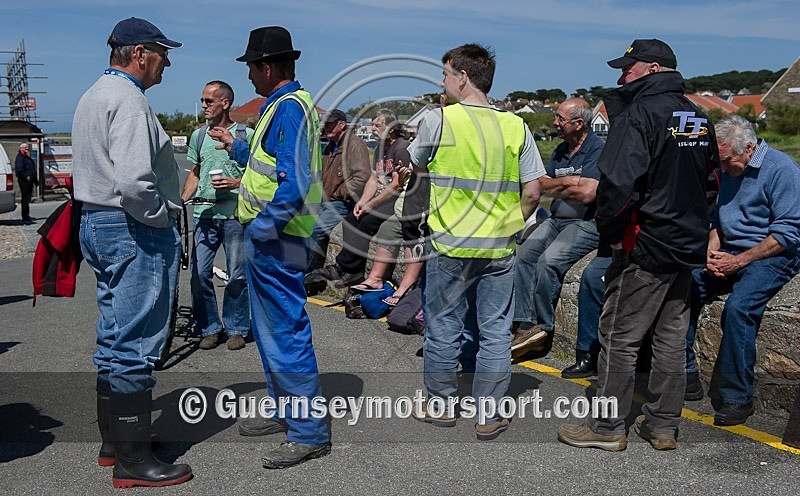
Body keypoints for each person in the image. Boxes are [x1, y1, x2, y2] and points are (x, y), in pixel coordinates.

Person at [558, 38, 718, 452]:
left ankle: (607, 426)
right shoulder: (698, 116)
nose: (620, 75)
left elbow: (618, 185)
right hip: (685, 240)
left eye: (627, 68)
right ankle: (663, 424)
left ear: (650, 69)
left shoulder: (640, 114)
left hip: (646, 240)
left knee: (619, 334)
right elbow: (712, 182)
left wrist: (611, 234)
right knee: (669, 334)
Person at [72, 17, 192, 487]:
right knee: (136, 342)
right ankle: (133, 459)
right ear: (140, 53)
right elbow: (133, 182)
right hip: (131, 226)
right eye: (163, 53)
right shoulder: (128, 99)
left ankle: (116, 442)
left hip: (98, 222)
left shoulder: (92, 95)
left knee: (114, 332)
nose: (168, 62)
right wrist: (162, 215)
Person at [208, 25, 331, 468]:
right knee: (271, 329)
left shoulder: (289, 109)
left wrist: (264, 229)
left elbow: (294, 183)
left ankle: (308, 430)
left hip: (278, 236)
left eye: (251, 68)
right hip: (278, 233)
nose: (248, 78)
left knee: (284, 329)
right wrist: (239, 146)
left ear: (266, 66)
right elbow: (270, 167)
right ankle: (287, 410)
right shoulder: (283, 106)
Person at [411, 43, 544, 441]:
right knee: (495, 330)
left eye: (446, 74)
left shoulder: (439, 121)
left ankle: (441, 405)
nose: (442, 82)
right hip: (498, 247)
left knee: (443, 326)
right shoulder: (515, 126)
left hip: (450, 245)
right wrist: (510, 226)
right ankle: (488, 415)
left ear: (462, 77)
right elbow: (534, 192)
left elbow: (418, 165)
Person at [685, 115, 800, 426]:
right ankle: (686, 374)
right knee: (683, 287)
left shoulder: (781, 169)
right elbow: (718, 220)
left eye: (725, 161)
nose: (721, 169)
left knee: (739, 307)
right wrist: (712, 249)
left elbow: (788, 234)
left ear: (748, 148)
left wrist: (740, 261)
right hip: (732, 251)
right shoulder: (733, 167)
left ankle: (738, 397)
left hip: (771, 254)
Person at [511, 97, 603, 356]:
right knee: (524, 254)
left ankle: (542, 327)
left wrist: (559, 185)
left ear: (579, 123)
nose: (555, 123)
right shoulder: (561, 150)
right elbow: (540, 185)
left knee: (548, 262)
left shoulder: (598, 149)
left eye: (561, 119)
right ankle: (523, 324)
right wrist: (570, 182)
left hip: (586, 222)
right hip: (556, 220)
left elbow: (587, 195)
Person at [181, 81, 254, 351]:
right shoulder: (198, 136)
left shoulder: (245, 134)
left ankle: (236, 328)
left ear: (225, 103)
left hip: (235, 214)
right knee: (199, 274)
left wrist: (236, 184)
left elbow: (258, 173)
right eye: (202, 101)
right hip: (204, 213)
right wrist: (181, 201)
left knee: (236, 274)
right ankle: (210, 327)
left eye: (208, 101)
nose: (203, 106)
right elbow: (196, 172)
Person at [305, 109, 409, 289]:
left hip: (397, 200)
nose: (372, 128)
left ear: (391, 128)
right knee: (351, 221)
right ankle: (348, 271)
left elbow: (396, 186)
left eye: (378, 125)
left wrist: (369, 203)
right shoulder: (379, 148)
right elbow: (372, 179)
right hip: (373, 199)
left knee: (366, 223)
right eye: (373, 124)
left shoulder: (401, 149)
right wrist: (363, 202)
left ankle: (343, 269)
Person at [307, 108, 371, 273]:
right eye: (325, 124)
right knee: (305, 226)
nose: (326, 128)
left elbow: (362, 176)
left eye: (331, 124)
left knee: (316, 230)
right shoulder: (330, 146)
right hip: (326, 200)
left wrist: (341, 193)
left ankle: (310, 275)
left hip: (343, 203)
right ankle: (310, 274)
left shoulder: (355, 144)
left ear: (342, 125)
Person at [14, 142, 37, 222]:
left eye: (27, 147)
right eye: (25, 147)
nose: (27, 149)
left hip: (30, 181)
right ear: (21, 148)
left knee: (27, 199)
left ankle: (26, 215)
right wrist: (26, 177)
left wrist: (35, 180)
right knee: (25, 199)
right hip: (24, 182)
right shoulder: (20, 158)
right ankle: (25, 216)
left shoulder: (26, 157)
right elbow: (19, 171)